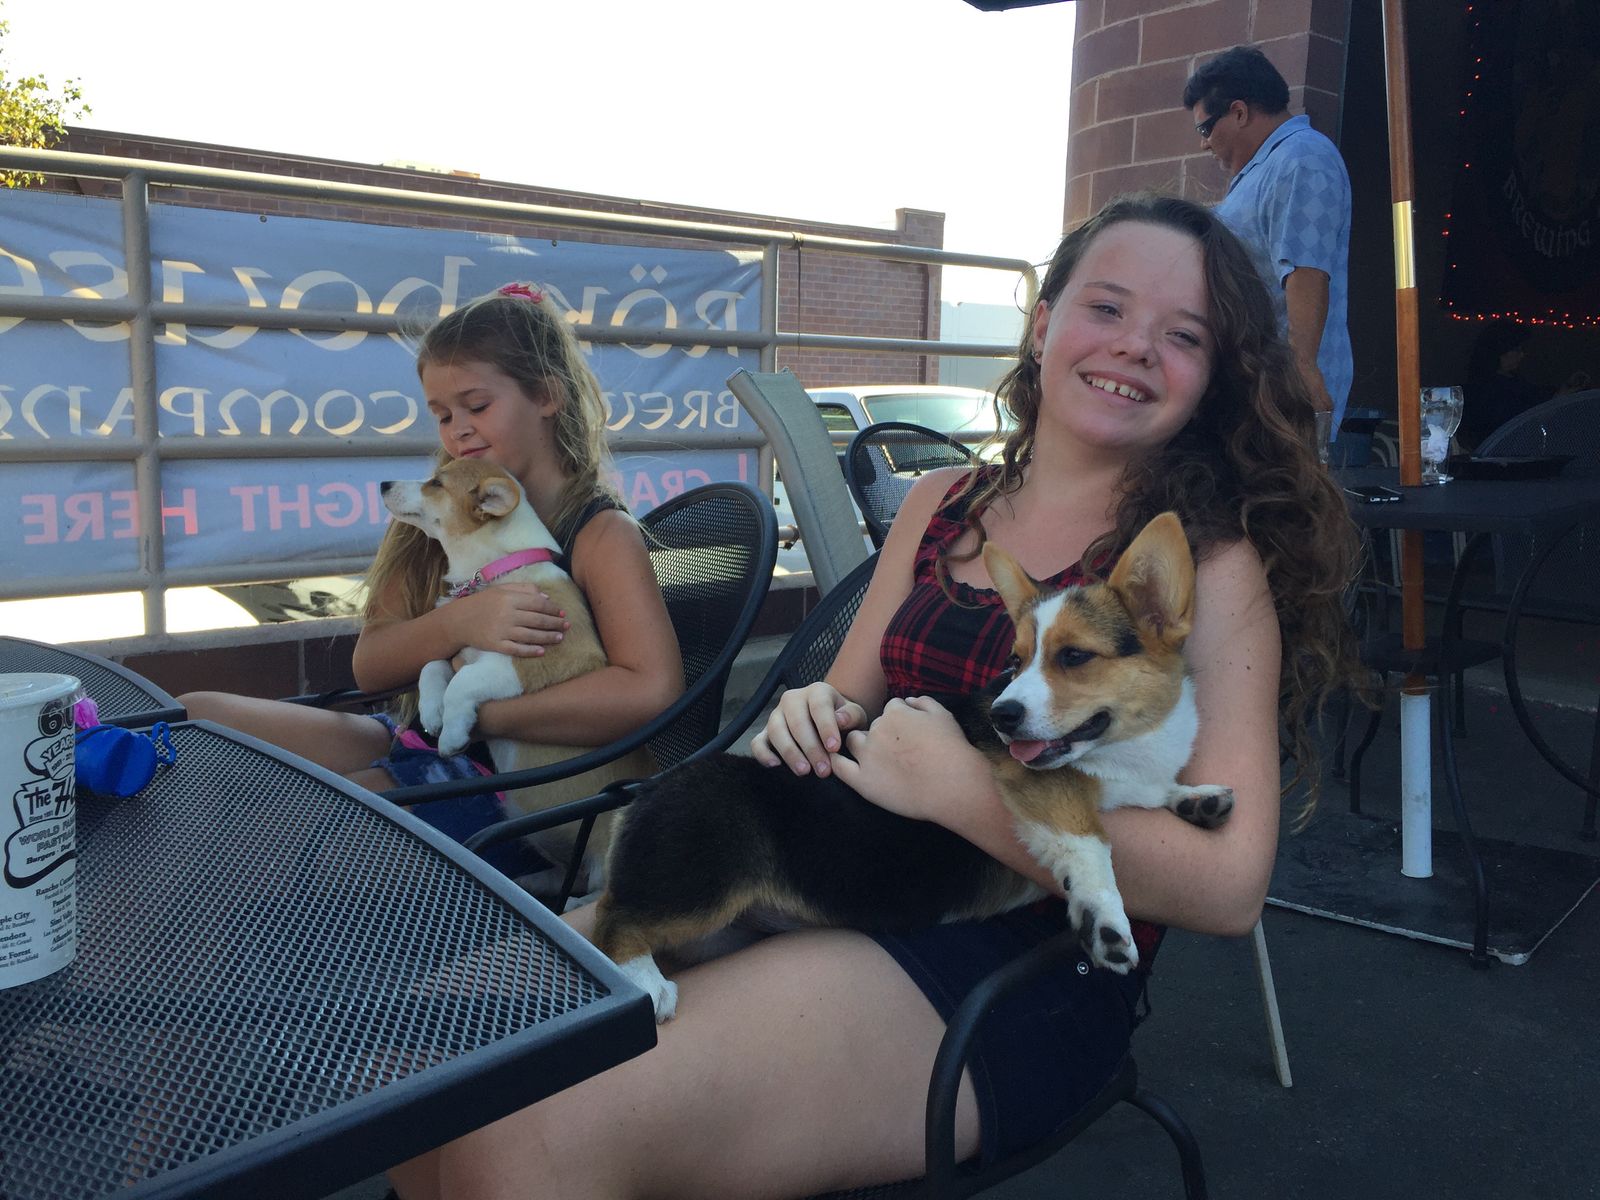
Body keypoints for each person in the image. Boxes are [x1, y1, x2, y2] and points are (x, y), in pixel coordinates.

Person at [386, 193, 1360, 1200]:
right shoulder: (944, 506)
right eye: (1107, 308)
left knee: (533, 1132)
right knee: (422, 1064)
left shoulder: (1207, 566)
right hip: (833, 876)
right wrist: (808, 714)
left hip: (1018, 960)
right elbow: (842, 702)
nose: (1136, 346)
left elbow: (1227, 887)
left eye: (1183, 334)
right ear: (1044, 323)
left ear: (1212, 374)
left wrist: (965, 792)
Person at [179, 284, 684, 856]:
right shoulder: (437, 514)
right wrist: (461, 622)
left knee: (290, 830)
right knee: (196, 715)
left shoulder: (600, 533)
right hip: (417, 735)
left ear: (547, 396)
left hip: (517, 790)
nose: (457, 430)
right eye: (442, 415)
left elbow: (650, 691)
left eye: (477, 406)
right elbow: (372, 665)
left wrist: (481, 714)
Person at [1182, 45, 1354, 441]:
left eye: (1205, 129)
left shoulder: (1303, 157)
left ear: (1239, 112)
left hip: (1279, 391)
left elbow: (1306, 267)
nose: (1204, 144)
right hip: (1251, 383)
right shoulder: (1265, 166)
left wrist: (1303, 368)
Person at [1459, 320, 1545, 450]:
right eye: (1516, 350)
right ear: (1500, 351)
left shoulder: (1518, 382)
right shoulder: (1482, 390)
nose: (1522, 355)